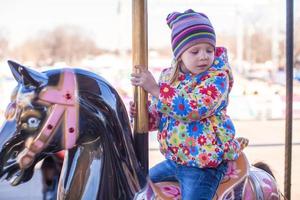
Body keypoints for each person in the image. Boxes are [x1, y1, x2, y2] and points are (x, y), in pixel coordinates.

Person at [130, 9, 248, 200]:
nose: (203, 56)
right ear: (179, 54)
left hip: (203, 164)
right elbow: (162, 118)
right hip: (175, 160)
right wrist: (144, 115)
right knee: (138, 186)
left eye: (209, 50)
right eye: (195, 51)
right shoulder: (169, 78)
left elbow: (194, 109)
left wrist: (157, 90)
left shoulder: (217, 77)